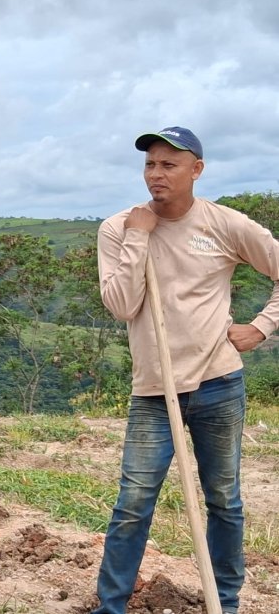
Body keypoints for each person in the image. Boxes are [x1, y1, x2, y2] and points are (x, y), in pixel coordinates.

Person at [93, 126, 279, 614]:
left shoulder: (225, 224)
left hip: (219, 383)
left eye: (169, 164)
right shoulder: (118, 228)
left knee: (223, 499)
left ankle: (227, 602)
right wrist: (138, 237)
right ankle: (110, 606)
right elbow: (121, 304)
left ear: (196, 170)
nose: (156, 174)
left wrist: (261, 326)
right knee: (133, 505)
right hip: (153, 391)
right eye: (150, 164)